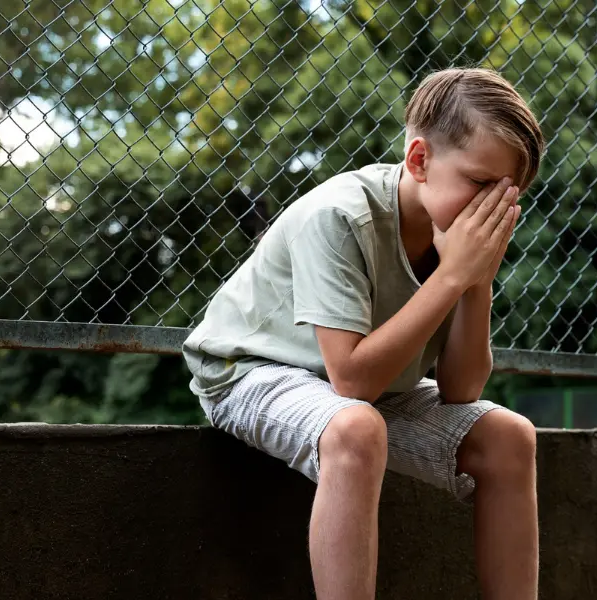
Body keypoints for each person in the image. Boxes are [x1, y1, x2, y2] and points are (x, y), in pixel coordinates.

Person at [182, 66, 545, 600]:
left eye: (506, 195)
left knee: (509, 437)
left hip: (363, 387)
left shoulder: (454, 236)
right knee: (356, 428)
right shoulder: (339, 216)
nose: (488, 210)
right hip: (250, 370)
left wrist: (475, 281)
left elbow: (462, 389)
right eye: (479, 184)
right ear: (420, 160)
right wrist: (449, 277)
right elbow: (351, 382)